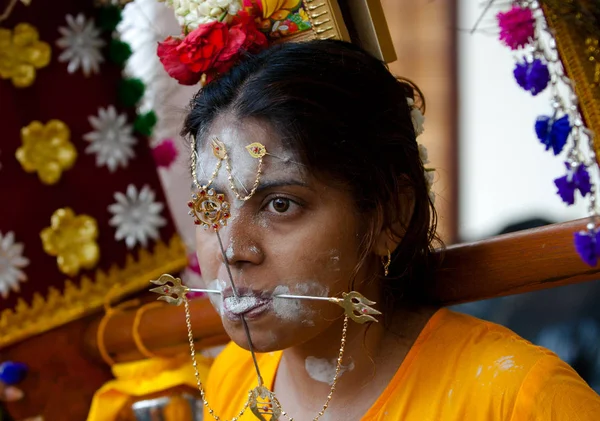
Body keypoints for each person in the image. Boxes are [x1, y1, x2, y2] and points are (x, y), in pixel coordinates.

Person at [181, 39, 600, 420]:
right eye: (212, 206)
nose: (231, 249)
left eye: (280, 204)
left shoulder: (517, 398)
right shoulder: (233, 379)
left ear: (391, 215)